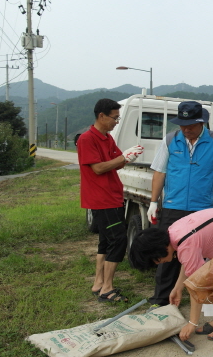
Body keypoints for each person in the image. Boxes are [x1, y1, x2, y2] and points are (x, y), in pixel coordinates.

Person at [147, 101, 213, 307]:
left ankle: (206, 301)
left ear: (202, 123)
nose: (186, 130)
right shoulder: (170, 140)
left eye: (191, 126)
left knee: (204, 256)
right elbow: (159, 171)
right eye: (182, 125)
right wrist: (154, 201)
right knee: (167, 254)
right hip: (173, 206)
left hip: (202, 209)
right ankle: (161, 299)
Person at [129, 208, 213, 342]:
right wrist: (178, 288)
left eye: (156, 260)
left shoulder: (185, 243)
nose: (160, 263)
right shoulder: (173, 233)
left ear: (158, 249)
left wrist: (192, 323)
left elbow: (197, 286)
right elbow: (189, 263)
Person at [77, 98, 143, 303]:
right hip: (101, 198)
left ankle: (98, 283)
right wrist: (124, 157)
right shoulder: (88, 139)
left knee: (105, 241)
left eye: (118, 118)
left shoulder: (107, 137)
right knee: (118, 240)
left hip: (112, 196)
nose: (116, 121)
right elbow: (98, 168)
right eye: (114, 118)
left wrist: (125, 158)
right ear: (101, 116)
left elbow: (117, 163)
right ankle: (107, 288)